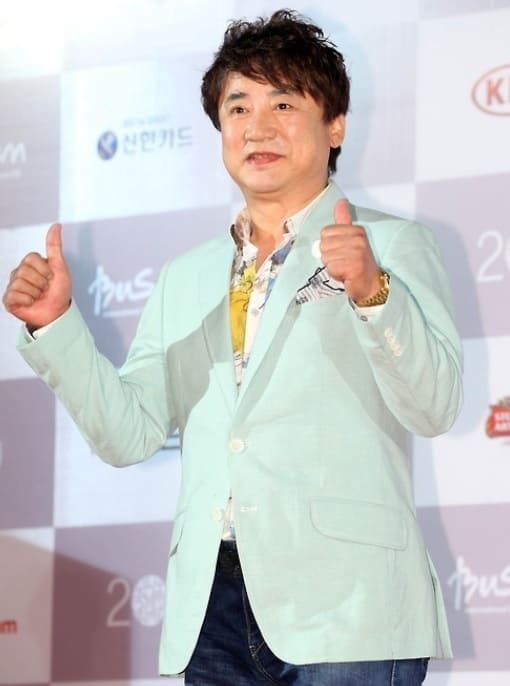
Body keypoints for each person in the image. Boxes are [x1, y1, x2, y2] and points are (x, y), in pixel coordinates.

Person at [2, 9, 462, 686]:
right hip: (211, 606)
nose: (258, 126)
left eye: (284, 103)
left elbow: (436, 406)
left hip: (349, 604)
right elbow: (129, 434)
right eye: (238, 107)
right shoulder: (185, 275)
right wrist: (56, 325)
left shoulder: (391, 245)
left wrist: (371, 291)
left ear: (336, 124)